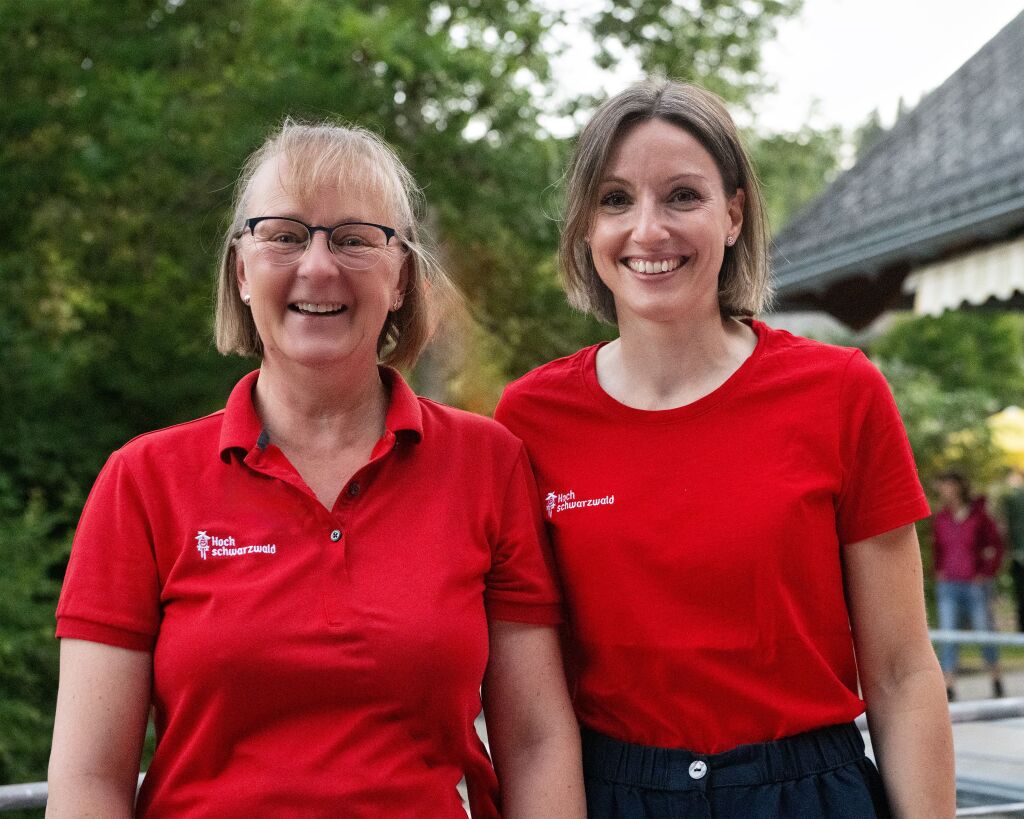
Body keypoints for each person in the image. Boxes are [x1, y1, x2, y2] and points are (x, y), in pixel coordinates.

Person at [47, 121, 585, 818]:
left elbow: (536, 741)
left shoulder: (487, 463)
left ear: (401, 278)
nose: (319, 266)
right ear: (242, 271)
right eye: (285, 235)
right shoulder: (143, 481)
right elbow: (88, 777)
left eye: (356, 239)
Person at [495, 80, 954, 818]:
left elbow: (902, 672)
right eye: (615, 200)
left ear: (734, 214)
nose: (648, 229)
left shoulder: (841, 392)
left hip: (808, 795)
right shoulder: (530, 419)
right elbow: (530, 710)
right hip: (613, 793)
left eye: (682, 196)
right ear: (585, 226)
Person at [933, 470, 1005, 700]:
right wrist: (939, 571)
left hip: (975, 585)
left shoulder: (979, 516)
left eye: (946, 485)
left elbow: (996, 546)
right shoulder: (942, 518)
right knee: (948, 634)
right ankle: (949, 683)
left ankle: (995, 676)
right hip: (949, 584)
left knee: (984, 632)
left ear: (957, 487)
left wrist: (986, 572)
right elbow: (938, 548)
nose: (943, 490)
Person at [998, 467, 1024, 632]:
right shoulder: (1012, 497)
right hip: (1018, 555)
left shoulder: (1013, 496)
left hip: (1018, 553)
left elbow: (1004, 526)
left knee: (1020, 595)